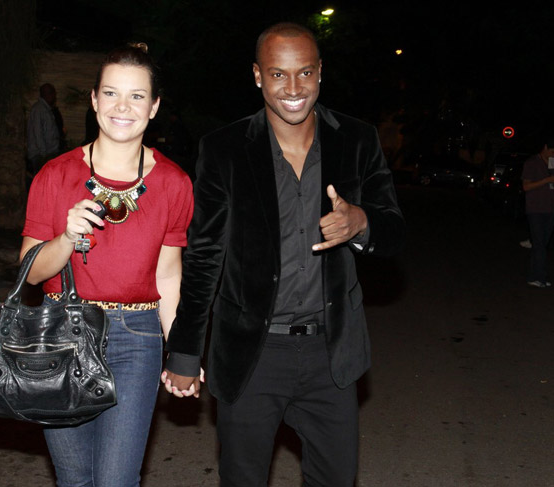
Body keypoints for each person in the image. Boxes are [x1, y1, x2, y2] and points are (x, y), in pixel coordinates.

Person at [161, 22, 405, 486]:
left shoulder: (357, 140)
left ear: (320, 72)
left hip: (330, 352)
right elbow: (205, 258)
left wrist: (361, 222)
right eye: (278, 74)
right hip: (252, 354)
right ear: (258, 76)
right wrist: (185, 350)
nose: (293, 88)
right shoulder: (225, 149)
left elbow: (393, 233)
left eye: (305, 73)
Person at [20, 43, 194, 486]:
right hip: (61, 333)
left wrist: (182, 351)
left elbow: (168, 274)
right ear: (95, 100)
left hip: (137, 338)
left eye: (137, 96)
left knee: (116, 480)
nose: (123, 107)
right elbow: (31, 273)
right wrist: (66, 238)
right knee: (75, 479)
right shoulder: (55, 175)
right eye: (112, 93)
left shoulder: (173, 183)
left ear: (154, 107)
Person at [521, 135, 554, 287]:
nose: (553, 155)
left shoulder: (552, 163)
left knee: (542, 244)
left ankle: (535, 276)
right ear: (545, 148)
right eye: (552, 151)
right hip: (536, 209)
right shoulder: (532, 163)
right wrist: (546, 180)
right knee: (539, 244)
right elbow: (526, 186)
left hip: (550, 208)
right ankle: (539, 277)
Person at [27, 82, 61, 177]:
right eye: (53, 93)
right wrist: (43, 154)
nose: (54, 96)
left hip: (47, 153)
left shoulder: (46, 109)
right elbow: (38, 133)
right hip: (41, 155)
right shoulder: (39, 110)